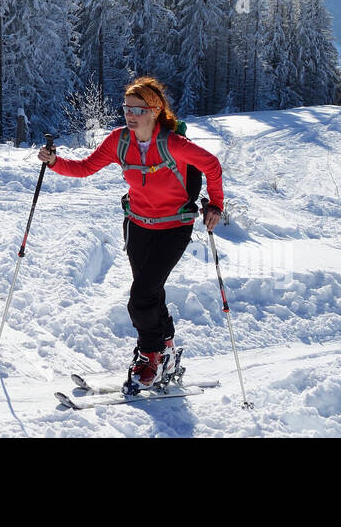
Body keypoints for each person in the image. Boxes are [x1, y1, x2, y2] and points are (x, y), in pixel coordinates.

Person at [37, 75, 224, 389]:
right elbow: (85, 168)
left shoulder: (174, 144)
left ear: (154, 111)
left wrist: (216, 204)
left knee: (140, 297)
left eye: (137, 110)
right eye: (127, 108)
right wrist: (55, 162)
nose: (130, 115)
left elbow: (212, 165)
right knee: (150, 292)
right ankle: (165, 349)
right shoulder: (119, 141)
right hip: (136, 225)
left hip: (173, 228)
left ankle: (148, 356)